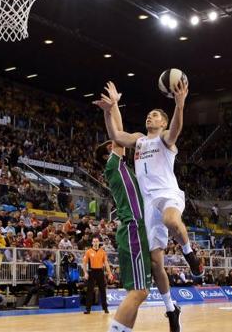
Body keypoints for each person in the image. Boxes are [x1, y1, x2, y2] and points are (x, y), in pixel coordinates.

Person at [100, 81, 201, 330]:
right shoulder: (139, 140)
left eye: (155, 115)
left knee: (171, 221)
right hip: (147, 205)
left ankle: (190, 254)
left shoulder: (165, 140)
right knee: (156, 263)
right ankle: (171, 308)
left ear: (163, 123)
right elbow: (116, 135)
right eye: (148, 114)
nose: (150, 117)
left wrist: (179, 104)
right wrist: (110, 108)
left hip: (168, 195)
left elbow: (176, 129)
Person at [93, 84, 156, 332]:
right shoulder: (113, 164)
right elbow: (118, 133)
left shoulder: (120, 168)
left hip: (133, 228)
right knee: (139, 291)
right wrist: (114, 106)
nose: (116, 142)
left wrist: (114, 106)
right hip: (133, 227)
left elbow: (118, 134)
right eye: (113, 144)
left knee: (137, 291)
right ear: (109, 150)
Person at [82, 237, 112, 314]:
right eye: (94, 241)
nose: (95, 242)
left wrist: (109, 273)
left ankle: (105, 308)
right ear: (92, 243)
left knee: (103, 290)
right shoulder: (88, 251)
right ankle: (88, 309)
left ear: (99, 243)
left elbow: (106, 263)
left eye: (97, 241)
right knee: (90, 290)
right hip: (92, 272)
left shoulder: (103, 252)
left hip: (100, 272)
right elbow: (84, 263)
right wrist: (85, 272)